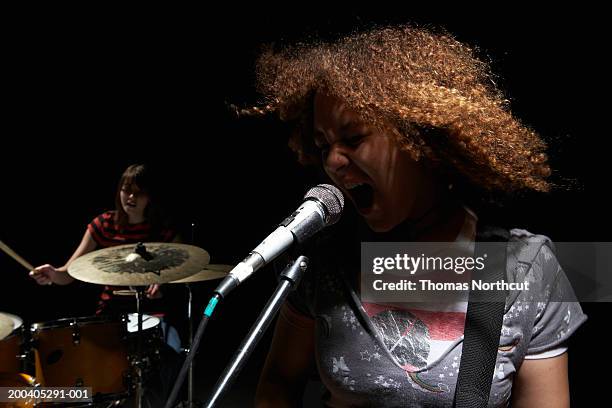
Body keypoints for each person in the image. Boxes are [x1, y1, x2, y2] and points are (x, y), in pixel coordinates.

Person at [244, 26, 587, 407]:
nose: (333, 162)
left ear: (420, 139)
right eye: (323, 145)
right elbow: (277, 382)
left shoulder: (524, 269)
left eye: (353, 138)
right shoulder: (325, 262)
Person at [29, 163, 182, 405]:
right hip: (111, 315)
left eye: (138, 192)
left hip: (152, 315)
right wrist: (52, 273)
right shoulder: (103, 225)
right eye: (126, 189)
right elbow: (68, 272)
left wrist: (163, 283)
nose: (130, 197)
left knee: (173, 353)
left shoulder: (162, 230)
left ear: (150, 196)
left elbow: (183, 268)